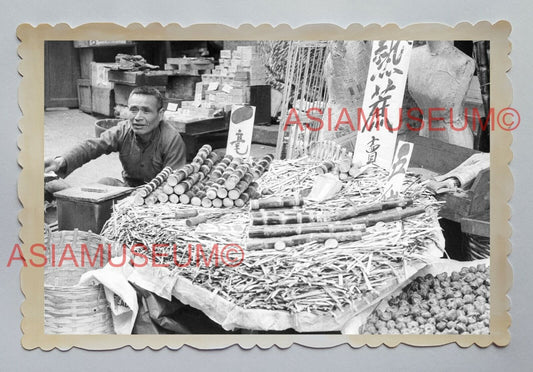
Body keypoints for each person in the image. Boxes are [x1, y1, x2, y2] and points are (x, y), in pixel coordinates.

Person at [45, 86, 186, 189]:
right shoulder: (123, 130)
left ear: (160, 114)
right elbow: (92, 146)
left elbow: (173, 184)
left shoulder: (171, 139)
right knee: (103, 184)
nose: (138, 118)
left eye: (146, 111)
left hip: (158, 195)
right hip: (128, 188)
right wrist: (60, 161)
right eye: (134, 110)